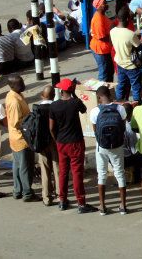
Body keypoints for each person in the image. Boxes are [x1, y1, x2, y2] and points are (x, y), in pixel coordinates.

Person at [50, 78, 98, 214]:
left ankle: (62, 200)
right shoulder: (75, 102)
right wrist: (75, 94)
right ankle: (81, 203)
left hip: (61, 143)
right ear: (71, 90)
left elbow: (51, 127)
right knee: (77, 173)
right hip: (75, 142)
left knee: (63, 172)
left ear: (61, 90)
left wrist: (56, 139)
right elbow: (83, 110)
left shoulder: (54, 106)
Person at [91, 86, 128, 215]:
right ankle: (123, 206)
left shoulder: (95, 111)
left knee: (101, 174)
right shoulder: (120, 108)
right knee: (120, 173)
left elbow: (95, 130)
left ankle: (102, 206)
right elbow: (123, 126)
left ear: (99, 97)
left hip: (101, 147)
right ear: (109, 94)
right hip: (117, 145)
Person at [5, 76, 40, 202]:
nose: (23, 85)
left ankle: (18, 190)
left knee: (18, 165)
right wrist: (30, 127)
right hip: (21, 138)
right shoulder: (14, 101)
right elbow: (16, 123)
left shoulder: (14, 95)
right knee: (25, 166)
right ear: (13, 86)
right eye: (21, 84)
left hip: (16, 138)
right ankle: (27, 192)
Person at [34, 85, 60, 206]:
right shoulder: (56, 107)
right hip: (55, 141)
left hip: (42, 143)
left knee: (45, 169)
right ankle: (60, 195)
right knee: (57, 168)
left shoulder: (37, 108)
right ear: (53, 95)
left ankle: (46, 197)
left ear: (42, 95)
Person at [111, 7, 142, 102]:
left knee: (121, 85)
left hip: (120, 64)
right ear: (128, 19)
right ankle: (137, 106)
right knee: (136, 87)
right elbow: (138, 46)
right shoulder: (130, 34)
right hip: (132, 66)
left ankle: (118, 103)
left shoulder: (112, 31)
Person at [90, 0, 115, 82]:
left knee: (110, 70)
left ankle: (108, 90)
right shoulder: (98, 19)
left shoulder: (102, 15)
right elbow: (102, 37)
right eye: (104, 3)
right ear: (99, 6)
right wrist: (115, 39)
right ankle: (101, 92)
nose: (107, 5)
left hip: (106, 49)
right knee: (104, 73)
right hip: (100, 50)